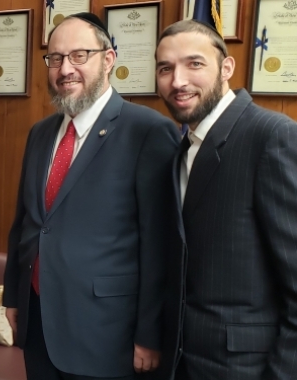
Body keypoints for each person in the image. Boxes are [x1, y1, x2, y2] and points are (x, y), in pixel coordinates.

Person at [2, 13, 179, 379]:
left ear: (108, 59)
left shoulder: (148, 132)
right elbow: (25, 223)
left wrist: (150, 334)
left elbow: (160, 248)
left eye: (79, 56)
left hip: (106, 336)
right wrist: (13, 297)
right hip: (38, 325)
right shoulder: (40, 133)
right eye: (55, 58)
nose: (65, 69)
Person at [154, 20, 297, 379]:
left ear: (226, 68)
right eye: (165, 68)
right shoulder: (182, 149)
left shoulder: (271, 136)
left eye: (195, 64)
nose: (178, 81)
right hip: (183, 363)